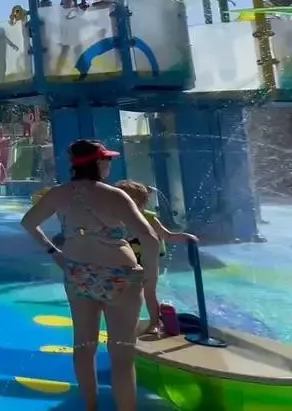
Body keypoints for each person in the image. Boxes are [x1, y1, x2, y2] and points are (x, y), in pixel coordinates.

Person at [20, 140, 161, 411]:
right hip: (120, 275)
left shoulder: (58, 194)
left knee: (84, 347)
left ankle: (91, 406)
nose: (109, 163)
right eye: (106, 159)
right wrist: (150, 278)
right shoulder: (115, 196)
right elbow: (149, 238)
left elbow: (28, 223)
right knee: (121, 355)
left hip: (78, 273)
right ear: (97, 163)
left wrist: (55, 254)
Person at [116, 179, 198, 336]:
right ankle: (130, 322)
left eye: (128, 200)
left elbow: (167, 235)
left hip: (147, 262)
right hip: (128, 262)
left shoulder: (149, 218)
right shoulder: (118, 219)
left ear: (140, 202)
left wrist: (186, 237)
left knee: (149, 293)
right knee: (128, 294)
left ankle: (155, 323)